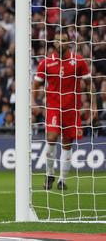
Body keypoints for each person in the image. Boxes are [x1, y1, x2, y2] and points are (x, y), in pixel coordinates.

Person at [34, 31, 91, 191]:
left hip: (71, 108)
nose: (61, 43)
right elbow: (36, 85)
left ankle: (62, 180)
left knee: (67, 143)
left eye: (64, 40)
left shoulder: (78, 61)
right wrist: (33, 101)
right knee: (51, 137)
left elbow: (88, 83)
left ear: (69, 42)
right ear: (53, 43)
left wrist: (93, 104)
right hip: (53, 107)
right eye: (58, 41)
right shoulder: (45, 63)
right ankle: (49, 173)